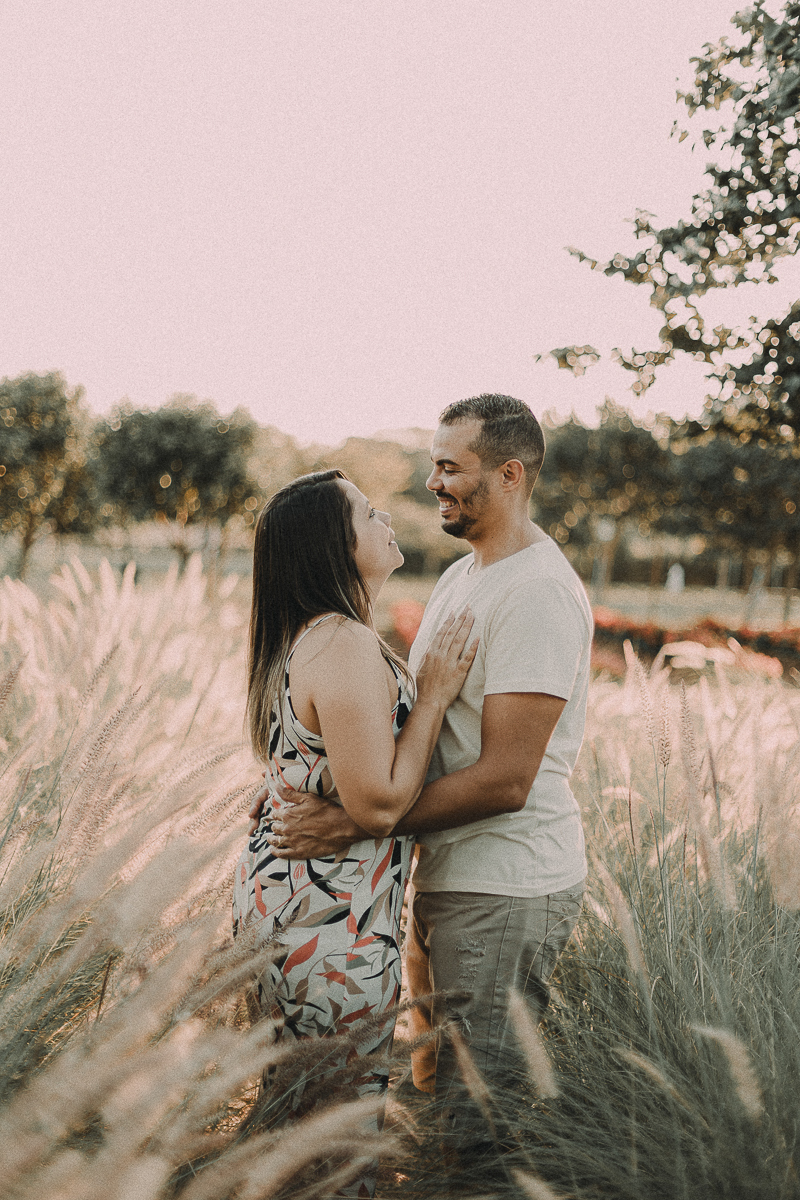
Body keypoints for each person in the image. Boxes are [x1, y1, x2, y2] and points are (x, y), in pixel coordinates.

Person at [258, 395, 592, 1161]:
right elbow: (412, 725)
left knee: (479, 1123)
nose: (433, 480)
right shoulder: (462, 576)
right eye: (434, 462)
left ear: (509, 475)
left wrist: (354, 820)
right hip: (442, 875)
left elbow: (507, 778)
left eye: (451, 467)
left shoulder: (535, 592)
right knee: (435, 1097)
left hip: (504, 884)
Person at [233, 468, 477, 1199]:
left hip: (307, 899)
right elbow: (376, 805)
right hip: (328, 918)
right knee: (339, 1129)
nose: (389, 518)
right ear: (334, 546)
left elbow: (312, 765)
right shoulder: (341, 641)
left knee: (299, 1112)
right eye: (370, 513)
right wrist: (432, 696)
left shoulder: (310, 637)